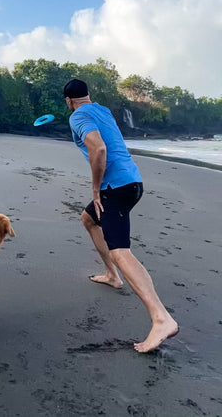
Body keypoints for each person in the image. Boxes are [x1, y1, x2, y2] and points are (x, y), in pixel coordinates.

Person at [64, 78, 178, 353]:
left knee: (120, 250)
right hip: (132, 182)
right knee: (89, 219)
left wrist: (95, 189)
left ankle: (161, 319)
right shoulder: (102, 110)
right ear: (88, 95)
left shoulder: (78, 116)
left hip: (115, 188)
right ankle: (112, 275)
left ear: (68, 101)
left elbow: (99, 148)